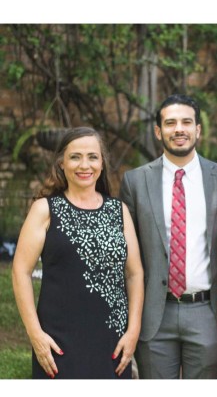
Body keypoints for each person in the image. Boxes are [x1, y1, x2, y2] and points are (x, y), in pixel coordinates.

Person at [120, 94, 217, 379]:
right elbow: (127, 253)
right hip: (154, 313)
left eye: (187, 122)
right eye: (170, 123)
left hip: (206, 311)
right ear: (159, 131)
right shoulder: (135, 181)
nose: (179, 129)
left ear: (198, 129)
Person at [12, 127, 144, 379]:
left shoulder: (119, 211)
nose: (85, 165)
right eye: (75, 157)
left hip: (112, 343)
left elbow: (135, 273)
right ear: (61, 163)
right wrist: (35, 334)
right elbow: (21, 271)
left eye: (93, 157)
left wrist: (133, 330)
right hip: (58, 342)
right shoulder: (45, 210)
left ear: (102, 163)